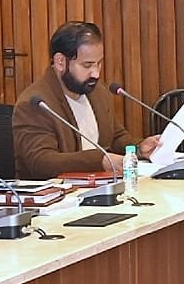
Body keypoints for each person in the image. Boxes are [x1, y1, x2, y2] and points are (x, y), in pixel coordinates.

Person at [13, 21, 159, 178]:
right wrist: (99, 161)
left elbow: (115, 138)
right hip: (59, 191)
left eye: (98, 63)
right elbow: (41, 163)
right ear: (60, 62)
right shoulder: (35, 104)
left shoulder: (97, 92)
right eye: (87, 65)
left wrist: (138, 148)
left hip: (100, 186)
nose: (95, 74)